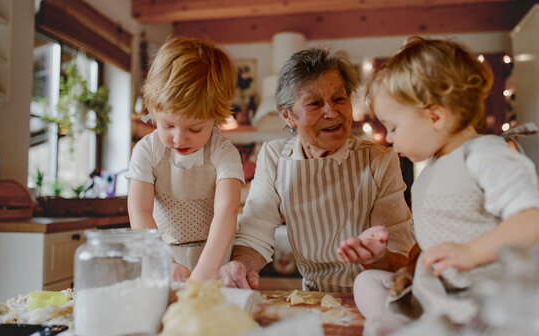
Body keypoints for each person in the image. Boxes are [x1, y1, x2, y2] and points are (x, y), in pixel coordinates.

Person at [351, 36, 539, 335]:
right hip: (441, 288)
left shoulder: (485, 154)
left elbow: (531, 219)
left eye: (394, 127)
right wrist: (401, 261)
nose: (388, 138)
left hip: (482, 293)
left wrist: (472, 252)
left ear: (435, 116)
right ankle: (402, 323)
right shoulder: (432, 169)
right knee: (367, 282)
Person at [219, 47, 416, 292]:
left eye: (339, 99)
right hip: (314, 296)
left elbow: (401, 256)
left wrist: (378, 257)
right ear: (288, 115)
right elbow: (254, 232)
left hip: (379, 292)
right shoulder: (275, 157)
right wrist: (240, 265)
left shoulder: (378, 160)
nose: (332, 113)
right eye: (314, 103)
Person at [126, 36, 245, 282]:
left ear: (215, 118)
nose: (179, 139)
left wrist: (206, 270)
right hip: (159, 254)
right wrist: (163, 261)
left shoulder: (224, 153)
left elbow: (227, 210)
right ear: (154, 109)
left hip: (212, 256)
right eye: (168, 125)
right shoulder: (146, 151)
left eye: (195, 129)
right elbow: (140, 211)